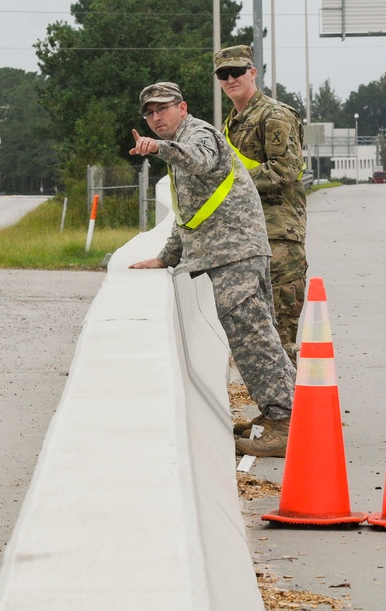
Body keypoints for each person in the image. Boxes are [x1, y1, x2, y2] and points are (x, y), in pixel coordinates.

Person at [128, 82, 296, 457]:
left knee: (253, 340)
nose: (156, 118)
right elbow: (189, 214)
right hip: (231, 253)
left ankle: (285, 424)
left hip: (235, 253)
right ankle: (284, 413)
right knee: (259, 335)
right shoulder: (181, 146)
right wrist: (167, 256)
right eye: (150, 113)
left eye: (163, 109)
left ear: (182, 108)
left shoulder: (198, 134)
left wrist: (160, 149)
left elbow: (199, 158)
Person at [214, 45, 308, 366]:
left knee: (281, 336)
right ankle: (272, 413)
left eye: (237, 72)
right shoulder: (233, 123)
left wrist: (234, 184)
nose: (230, 79)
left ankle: (292, 414)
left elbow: (286, 170)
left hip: (280, 239)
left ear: (253, 73)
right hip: (249, 241)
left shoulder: (274, 115)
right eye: (223, 75)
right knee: (259, 336)